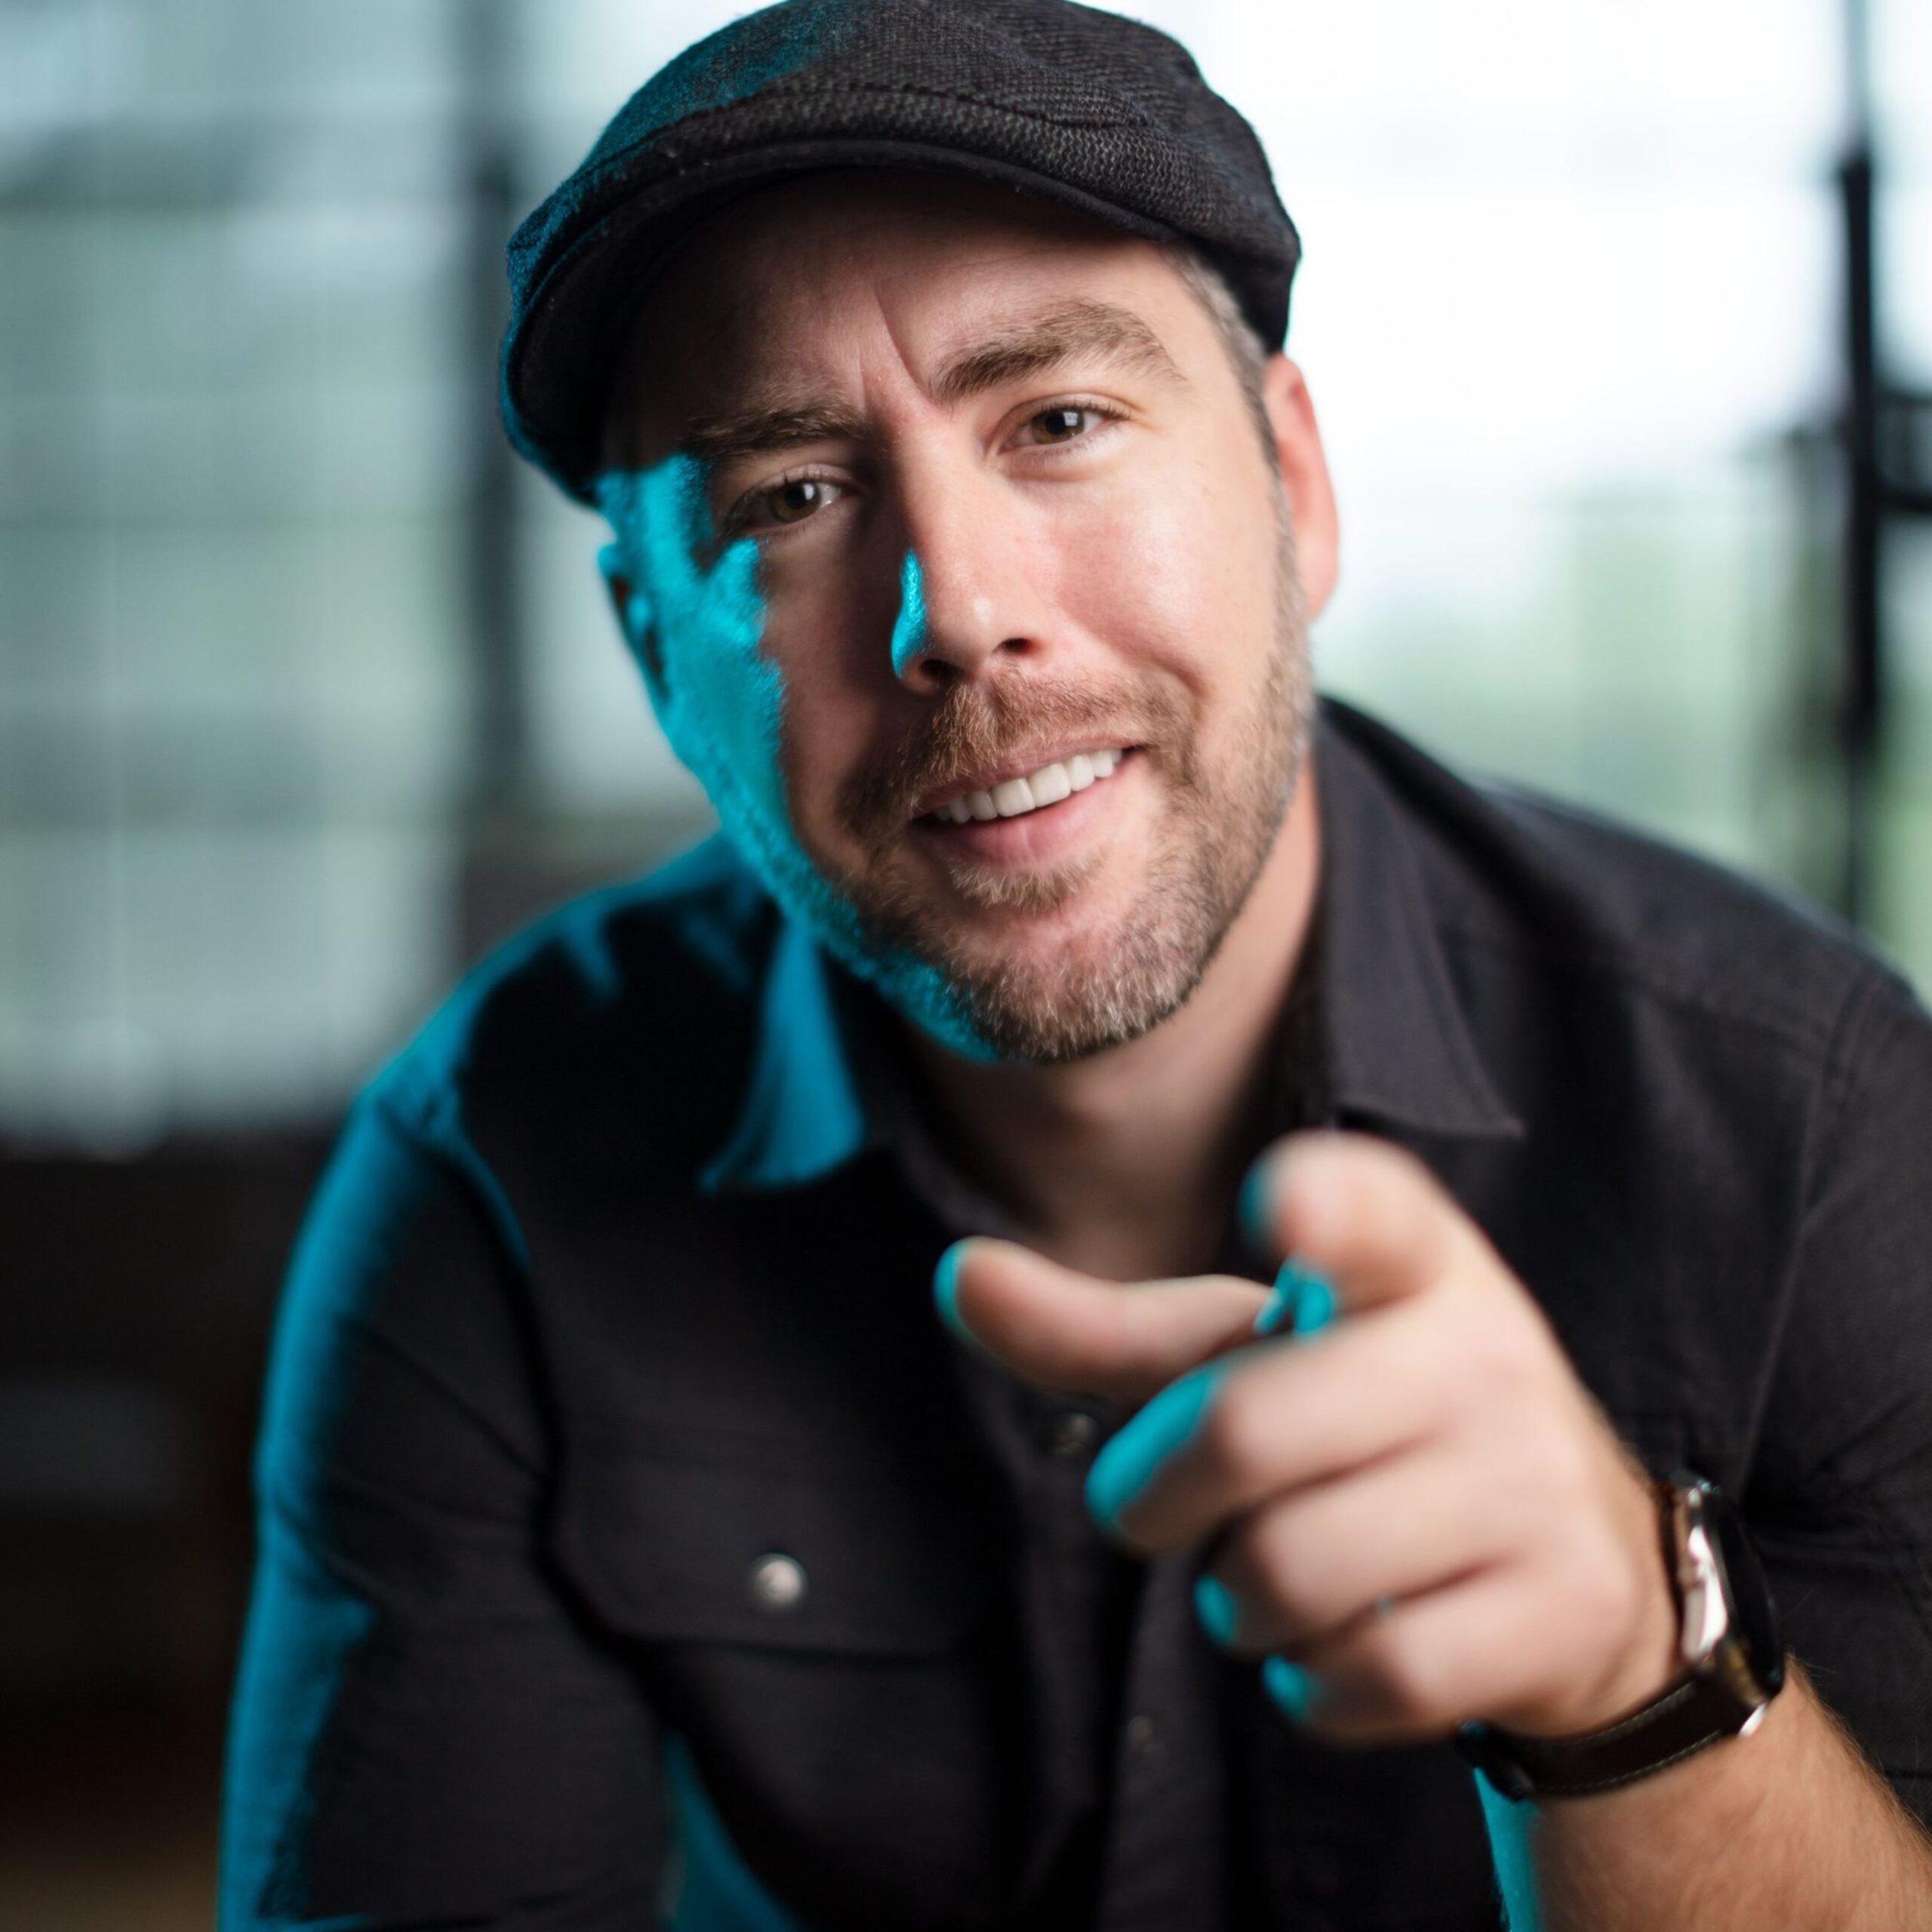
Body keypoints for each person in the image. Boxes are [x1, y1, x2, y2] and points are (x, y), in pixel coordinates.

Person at [219, 2, 1932, 1927]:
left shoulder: (1818, 1127)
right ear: (651, 653)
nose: (959, 615)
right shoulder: (492, 1175)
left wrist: (1640, 1660)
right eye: (789, 496)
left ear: (1293, 489)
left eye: (1057, 421)